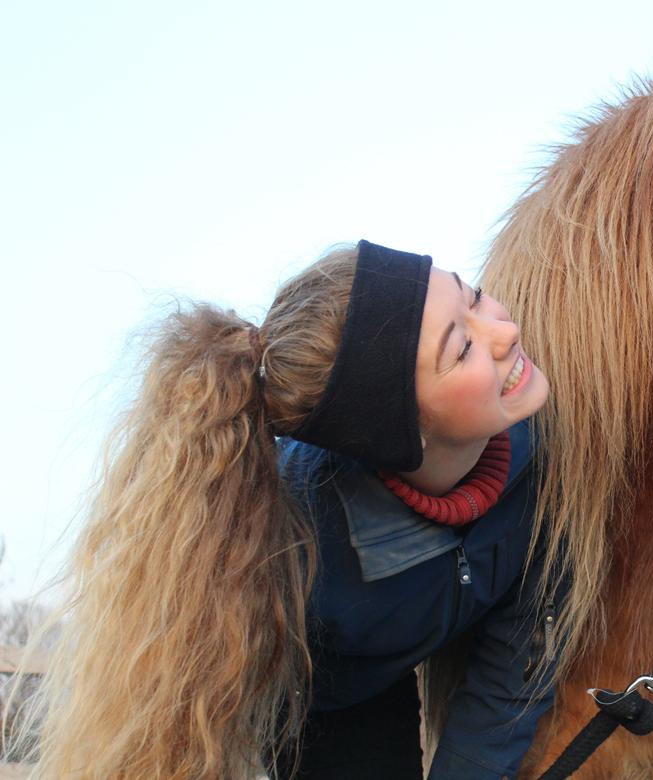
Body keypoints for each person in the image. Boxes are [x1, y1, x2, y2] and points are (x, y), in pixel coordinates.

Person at [20, 240, 560, 779]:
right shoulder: (291, 549)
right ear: (400, 431)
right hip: (329, 696)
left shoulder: (552, 462)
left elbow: (522, 650)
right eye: (461, 348)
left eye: (477, 297)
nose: (506, 330)